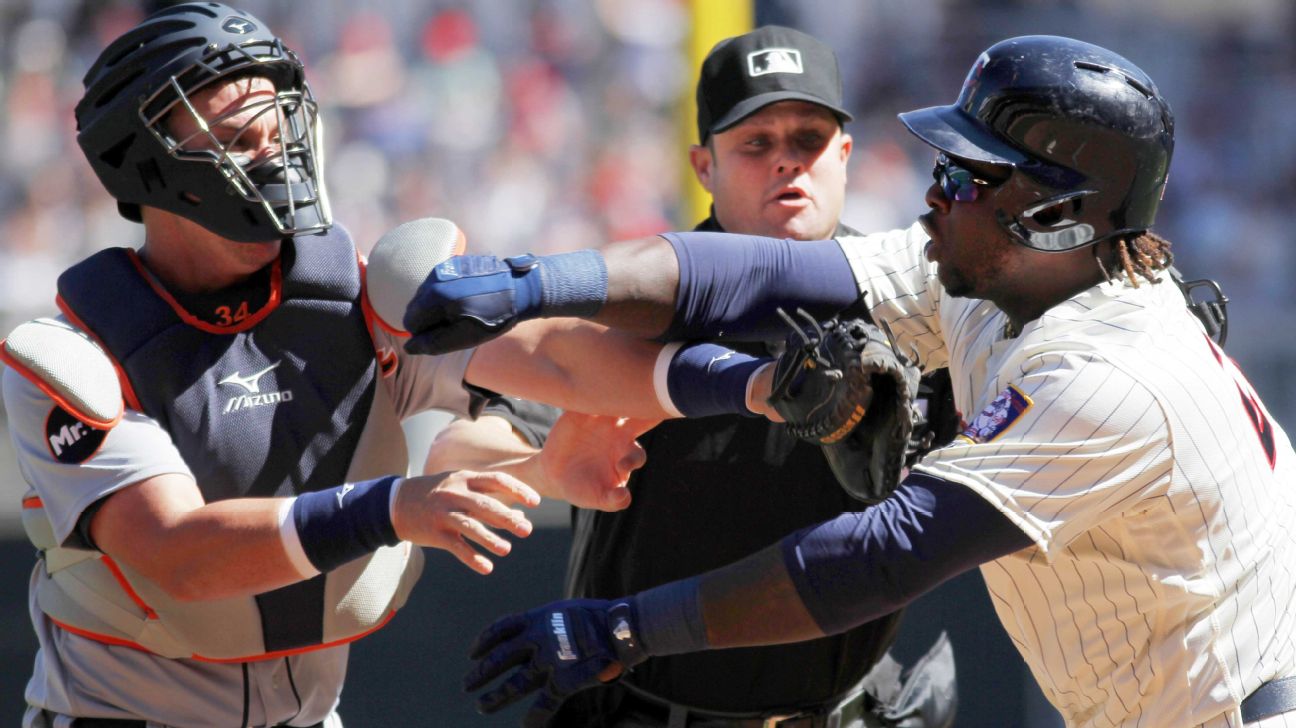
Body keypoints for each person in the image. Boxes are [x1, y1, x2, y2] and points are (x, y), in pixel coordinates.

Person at [405, 36, 1296, 727]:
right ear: (703, 163)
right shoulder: (995, 281)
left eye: (967, 173)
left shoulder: (1105, 370)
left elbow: (881, 553)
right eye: (755, 142)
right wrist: (543, 281)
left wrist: (621, 629)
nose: (933, 192)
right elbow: (754, 277)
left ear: (1051, 212)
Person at [0, 5, 674, 726]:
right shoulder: (77, 355)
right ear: (149, 164)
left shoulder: (353, 298)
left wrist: (749, 377)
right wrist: (389, 509)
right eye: (237, 141)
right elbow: (180, 557)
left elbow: (556, 362)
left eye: (278, 129)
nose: (273, 158)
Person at [424, 25, 958, 728]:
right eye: (756, 144)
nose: (787, 164)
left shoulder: (918, 307)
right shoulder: (645, 300)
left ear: (846, 156)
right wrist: (544, 468)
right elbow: (451, 453)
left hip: (845, 709)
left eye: (808, 139)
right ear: (703, 166)